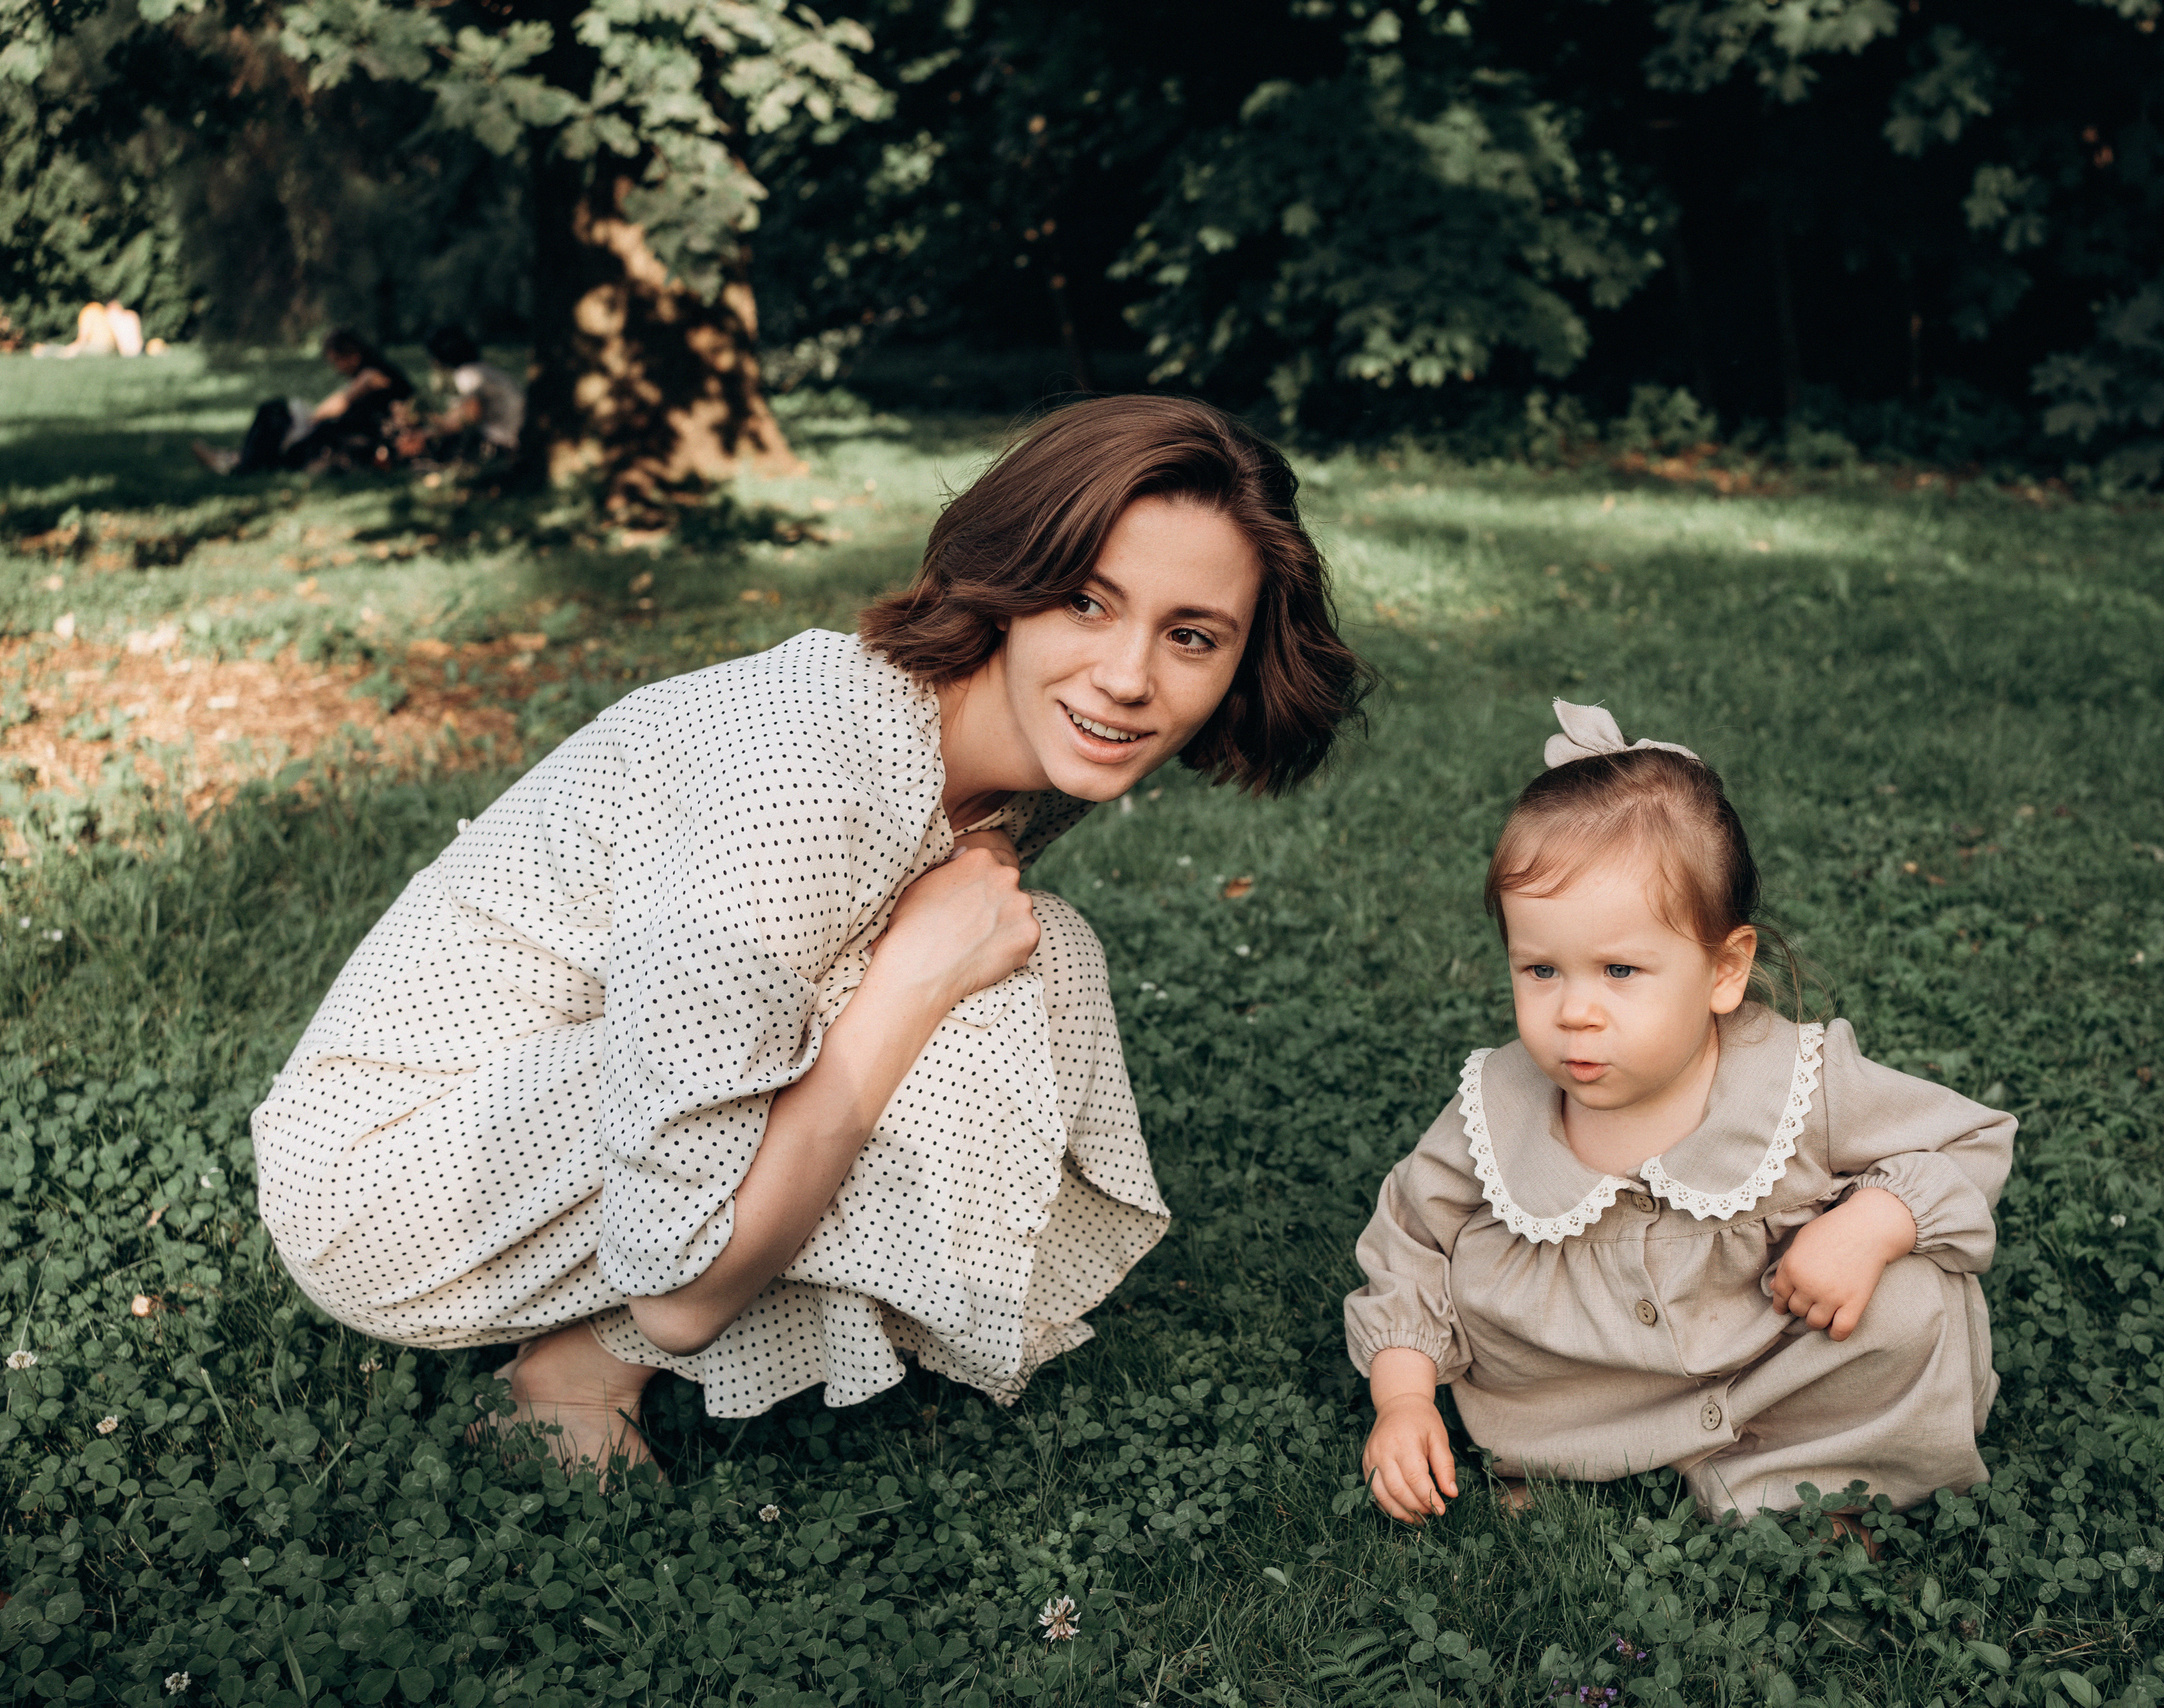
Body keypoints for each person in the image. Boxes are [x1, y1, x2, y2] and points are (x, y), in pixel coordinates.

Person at [251, 395, 1369, 1474]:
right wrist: (908, 992)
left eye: (1190, 635)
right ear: (1007, 582)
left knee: (1028, 953)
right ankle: (583, 1375)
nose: (1126, 679)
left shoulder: (1005, 734)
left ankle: (584, 1358)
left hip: (536, 1107)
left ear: (1239, 661)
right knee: (960, 994)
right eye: (1085, 600)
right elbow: (677, 1298)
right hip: (392, 1182)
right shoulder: (805, 787)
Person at [1347, 700, 2013, 1524]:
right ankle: (1578, 1458)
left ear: (1726, 971)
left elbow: (1973, 1141)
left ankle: (1796, 1476)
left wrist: (1875, 1220)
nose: (1575, 1012)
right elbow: (1410, 1239)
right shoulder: (1497, 1104)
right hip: (1582, 1388)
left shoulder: (1797, 1079)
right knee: (1494, 1313)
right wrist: (1404, 1399)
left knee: (1909, 1307)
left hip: (1773, 1356)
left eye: (1620, 971)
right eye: (1541, 970)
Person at [194, 329, 414, 474]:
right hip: (345, 432)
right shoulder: (374, 372)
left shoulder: (372, 374)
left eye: (337, 360)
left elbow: (344, 400)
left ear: (353, 355)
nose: (336, 368)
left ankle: (238, 463)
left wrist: (315, 416)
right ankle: (236, 458)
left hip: (351, 436)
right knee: (275, 415)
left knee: (276, 414)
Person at [411, 324, 524, 462]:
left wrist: (431, 430)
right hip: (515, 438)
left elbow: (472, 413)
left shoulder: (467, 374)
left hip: (502, 444)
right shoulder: (483, 370)